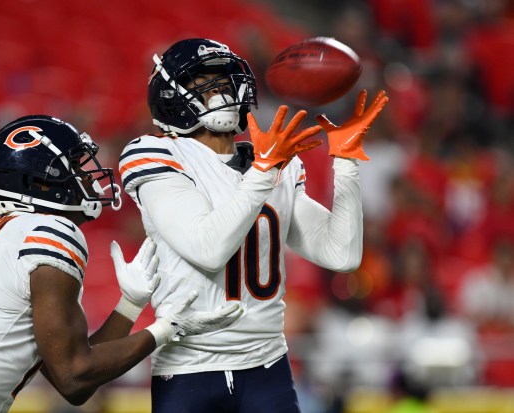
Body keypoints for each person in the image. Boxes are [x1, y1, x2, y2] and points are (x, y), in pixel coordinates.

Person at [0, 114, 243, 413]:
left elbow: (73, 370)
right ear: (41, 182)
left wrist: (130, 305)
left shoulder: (5, 232)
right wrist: (166, 330)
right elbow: (73, 377)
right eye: (77, 166)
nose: (90, 176)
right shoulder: (51, 230)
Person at [118, 38, 389, 412]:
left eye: (224, 81)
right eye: (204, 83)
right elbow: (207, 249)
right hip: (190, 369)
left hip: (267, 366)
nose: (221, 91)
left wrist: (345, 162)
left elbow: (340, 253)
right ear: (171, 97)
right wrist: (263, 172)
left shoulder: (278, 161)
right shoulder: (156, 153)